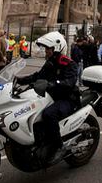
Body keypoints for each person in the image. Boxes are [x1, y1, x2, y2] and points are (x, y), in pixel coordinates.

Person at [16, 31, 79, 163]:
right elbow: (38, 76)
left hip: (67, 98)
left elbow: (69, 82)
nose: (46, 51)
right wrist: (20, 80)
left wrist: (52, 84)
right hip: (51, 97)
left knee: (48, 114)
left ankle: (59, 146)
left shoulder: (68, 63)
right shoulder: (50, 62)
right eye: (45, 49)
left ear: (56, 48)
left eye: (48, 49)